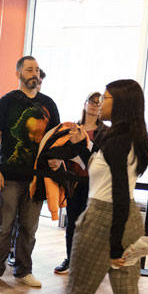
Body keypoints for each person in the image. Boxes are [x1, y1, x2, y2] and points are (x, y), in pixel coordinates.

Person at [24, 79, 148, 294]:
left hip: (104, 217)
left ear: (121, 104)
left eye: (108, 97)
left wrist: (114, 244)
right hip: (129, 220)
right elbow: (114, 178)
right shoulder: (136, 137)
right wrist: (85, 145)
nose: (102, 102)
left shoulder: (114, 140)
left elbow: (119, 193)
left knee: (78, 290)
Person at [0, 55, 59, 288]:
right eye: (28, 69)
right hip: (8, 175)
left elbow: (55, 139)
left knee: (29, 227)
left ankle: (24, 270)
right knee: (3, 225)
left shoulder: (49, 104)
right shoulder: (6, 102)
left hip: (37, 177)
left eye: (36, 69)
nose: (34, 73)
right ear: (18, 74)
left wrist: (56, 160)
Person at [54, 91, 102, 274]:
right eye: (92, 101)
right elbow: (64, 151)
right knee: (72, 222)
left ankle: (87, 262)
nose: (94, 105)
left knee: (90, 224)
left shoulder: (104, 131)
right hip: (74, 181)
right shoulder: (73, 127)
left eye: (99, 103)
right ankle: (70, 258)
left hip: (94, 183)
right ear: (85, 103)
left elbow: (99, 155)